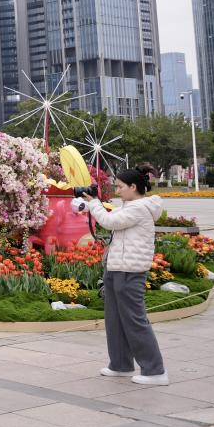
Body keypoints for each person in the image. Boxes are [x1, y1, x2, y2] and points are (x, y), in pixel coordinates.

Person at [73, 164, 169, 385]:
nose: (117, 190)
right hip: (116, 268)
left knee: (135, 320)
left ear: (133, 187)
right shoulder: (128, 206)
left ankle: (155, 370)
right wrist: (88, 206)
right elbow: (111, 215)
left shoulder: (139, 208)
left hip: (131, 270)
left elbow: (109, 222)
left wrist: (94, 204)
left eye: (120, 186)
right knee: (114, 319)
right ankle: (120, 364)